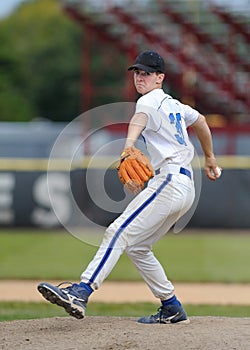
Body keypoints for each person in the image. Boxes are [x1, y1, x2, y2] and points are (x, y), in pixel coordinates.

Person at [38, 50, 221, 324]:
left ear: (160, 77)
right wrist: (210, 158)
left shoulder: (148, 101)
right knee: (138, 247)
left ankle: (81, 291)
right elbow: (203, 122)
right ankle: (171, 306)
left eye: (146, 73)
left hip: (169, 182)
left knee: (118, 230)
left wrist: (128, 145)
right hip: (185, 187)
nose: (140, 78)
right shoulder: (176, 106)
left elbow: (138, 120)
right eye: (137, 72)